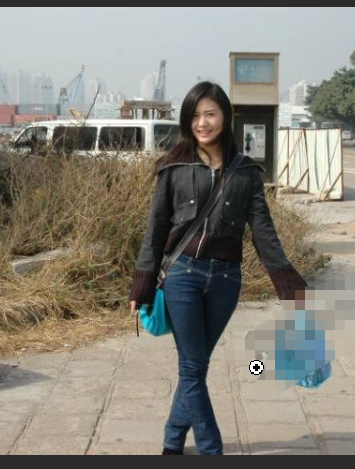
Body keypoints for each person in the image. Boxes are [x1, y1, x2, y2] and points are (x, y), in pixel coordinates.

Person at [129, 81, 308, 455]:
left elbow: (263, 233)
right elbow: (155, 229)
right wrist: (142, 283)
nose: (202, 122)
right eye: (195, 115)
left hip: (226, 281)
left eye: (210, 113)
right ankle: (211, 449)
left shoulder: (246, 172)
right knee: (193, 367)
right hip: (182, 276)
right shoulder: (173, 167)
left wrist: (289, 285)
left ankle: (172, 440)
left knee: (195, 366)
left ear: (226, 116)